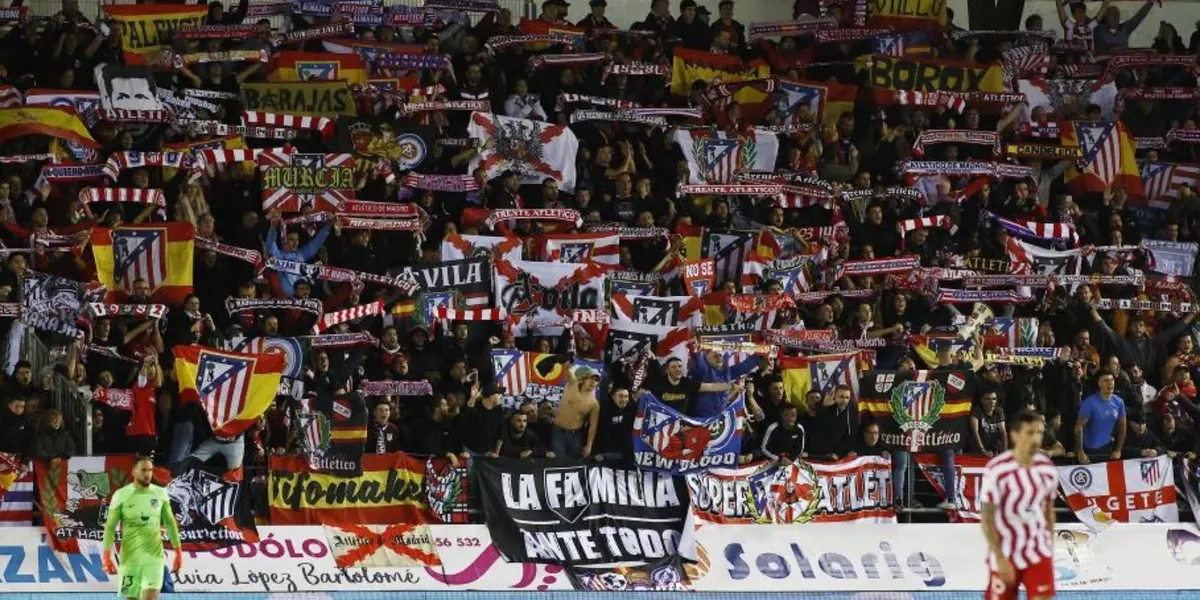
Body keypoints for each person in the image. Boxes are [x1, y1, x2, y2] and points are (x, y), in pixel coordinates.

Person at [980, 411, 1059, 600]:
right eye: (1029, 433)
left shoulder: (1047, 469)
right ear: (1014, 435)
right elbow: (987, 519)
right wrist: (999, 557)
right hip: (1006, 551)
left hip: (1037, 551)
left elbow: (1049, 512)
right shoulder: (997, 470)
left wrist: (1049, 546)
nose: (1036, 439)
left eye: (1039, 433)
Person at [102, 456, 183, 600]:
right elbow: (110, 527)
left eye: (150, 470)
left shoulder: (160, 493)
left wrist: (178, 553)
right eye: (143, 470)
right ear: (134, 471)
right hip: (130, 559)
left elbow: (170, 523)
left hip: (154, 558)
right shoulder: (121, 495)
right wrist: (106, 556)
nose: (148, 474)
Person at [1075, 372, 1127, 463]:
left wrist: (1118, 450)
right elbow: (1078, 428)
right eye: (1106, 381)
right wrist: (1080, 452)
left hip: (1106, 449)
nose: (1110, 383)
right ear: (1099, 384)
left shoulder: (1119, 402)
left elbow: (1122, 426)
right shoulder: (1089, 403)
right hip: (1088, 451)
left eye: (1112, 380)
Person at [553, 364, 601, 459]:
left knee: (573, 464)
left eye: (596, 380)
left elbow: (593, 427)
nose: (593, 382)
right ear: (583, 379)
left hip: (576, 436)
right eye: (591, 378)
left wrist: (589, 446)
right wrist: (567, 364)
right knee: (557, 463)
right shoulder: (572, 384)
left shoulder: (594, 404)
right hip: (558, 432)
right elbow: (567, 370)